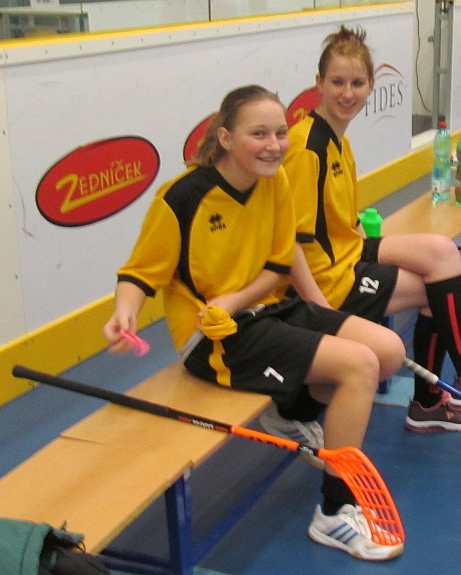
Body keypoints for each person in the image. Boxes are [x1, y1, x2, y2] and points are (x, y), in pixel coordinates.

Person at [102, 84, 405, 561]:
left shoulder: (274, 181)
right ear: (225, 138)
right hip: (213, 336)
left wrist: (237, 298)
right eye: (258, 134)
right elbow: (140, 273)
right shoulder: (182, 197)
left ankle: (291, 413)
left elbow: (279, 265)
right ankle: (334, 510)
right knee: (359, 367)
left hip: (262, 308)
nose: (274, 145)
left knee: (388, 351)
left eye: (281, 133)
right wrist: (126, 310)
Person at [269, 25, 461, 439]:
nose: (347, 93)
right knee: (436, 291)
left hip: (346, 254)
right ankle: (454, 387)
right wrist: (320, 309)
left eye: (357, 83)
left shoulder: (336, 139)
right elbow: (292, 243)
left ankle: (443, 394)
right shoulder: (308, 149)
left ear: (371, 86)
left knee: (442, 254)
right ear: (318, 83)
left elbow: (337, 224)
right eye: (337, 82)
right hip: (326, 280)